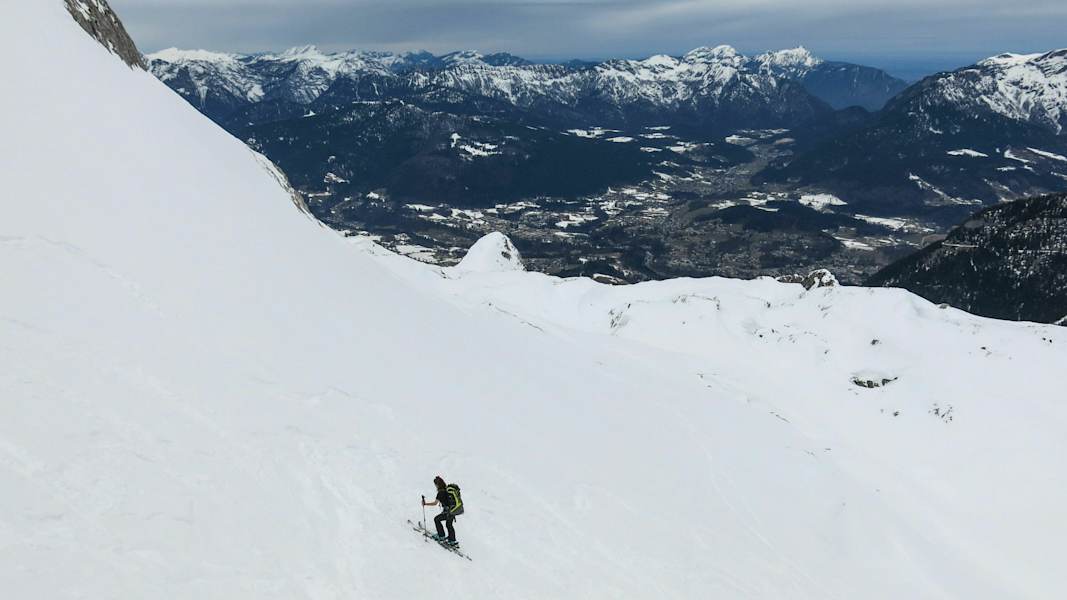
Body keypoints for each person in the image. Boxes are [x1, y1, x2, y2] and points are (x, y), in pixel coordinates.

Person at [423, 475, 463, 546]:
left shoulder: (440, 493)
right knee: (449, 525)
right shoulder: (446, 489)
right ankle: (452, 540)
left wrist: (425, 504)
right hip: (452, 511)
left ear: (437, 484)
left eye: (435, 484)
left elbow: (435, 503)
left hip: (448, 512)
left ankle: (441, 536)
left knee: (436, 519)